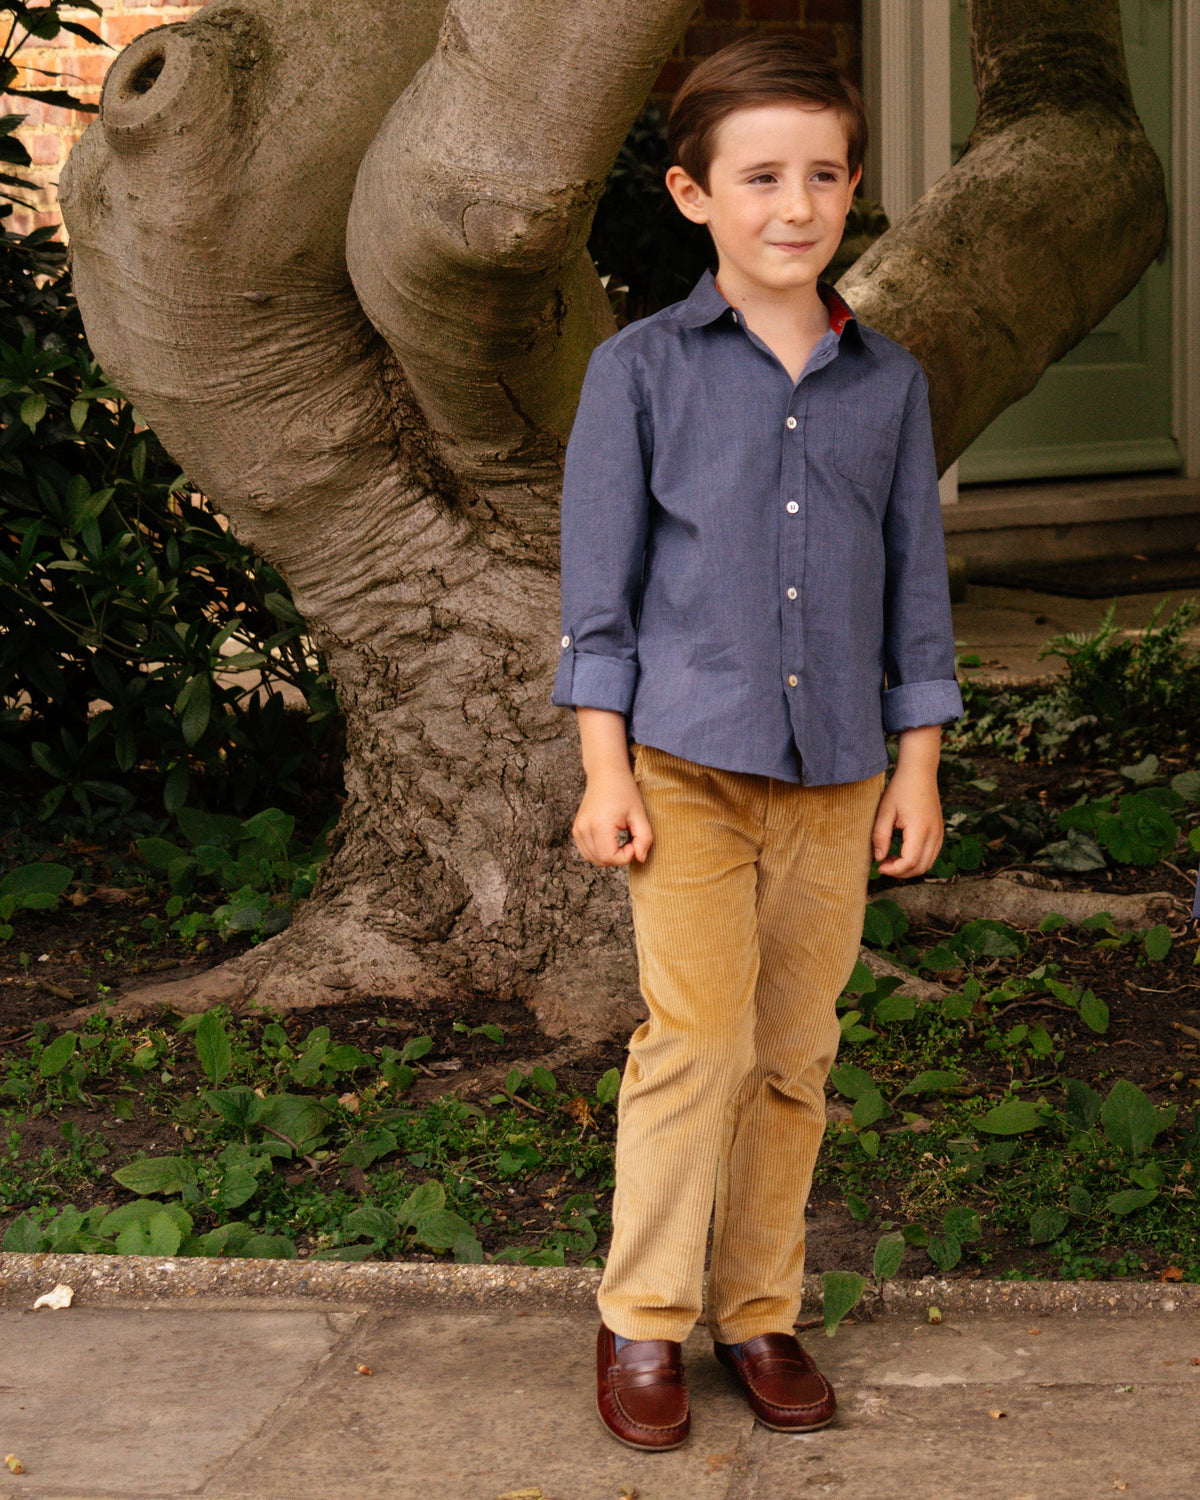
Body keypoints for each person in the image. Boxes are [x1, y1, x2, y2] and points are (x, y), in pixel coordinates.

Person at [551, 34, 963, 1451]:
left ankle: (759, 1310)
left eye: (825, 175)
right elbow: (597, 600)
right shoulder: (641, 374)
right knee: (697, 1041)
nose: (798, 205)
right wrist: (605, 771)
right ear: (692, 194)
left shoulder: (887, 384)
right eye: (763, 177)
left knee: (794, 1050)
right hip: (684, 767)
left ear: (852, 190)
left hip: (841, 773)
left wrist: (916, 764)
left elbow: (916, 586)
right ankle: (645, 1321)